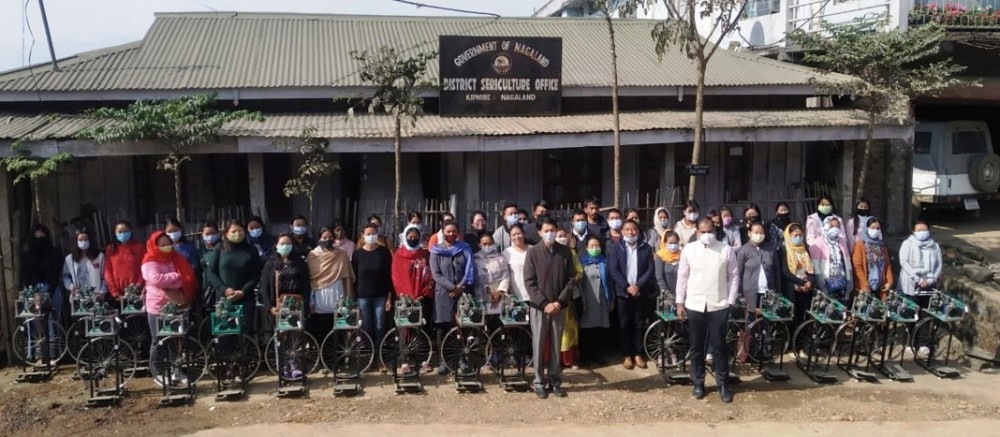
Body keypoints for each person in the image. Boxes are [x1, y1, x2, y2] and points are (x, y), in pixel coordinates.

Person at [675, 218, 739, 403]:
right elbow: (682, 276)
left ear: (715, 230)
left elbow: (734, 276)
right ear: (697, 232)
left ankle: (723, 384)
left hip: (719, 304)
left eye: (709, 231)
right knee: (696, 346)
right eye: (703, 231)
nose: (706, 235)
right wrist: (680, 302)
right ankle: (698, 382)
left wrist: (731, 300)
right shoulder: (689, 249)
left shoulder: (725, 249)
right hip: (694, 304)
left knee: (719, 346)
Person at [523, 217, 576, 399]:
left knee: (556, 344)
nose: (550, 234)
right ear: (539, 232)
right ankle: (538, 381)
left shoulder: (565, 252)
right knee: (538, 343)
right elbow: (529, 283)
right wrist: (545, 304)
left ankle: (555, 380)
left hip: (559, 306)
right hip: (540, 307)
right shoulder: (533, 253)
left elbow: (571, 280)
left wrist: (559, 302)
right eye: (546, 230)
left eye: (552, 230)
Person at [140, 231, 198, 385]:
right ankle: (158, 373)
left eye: (168, 243)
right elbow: (156, 279)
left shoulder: (176, 258)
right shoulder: (148, 262)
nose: (166, 246)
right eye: (162, 244)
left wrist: (173, 279)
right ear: (154, 245)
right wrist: (175, 277)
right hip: (157, 307)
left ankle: (176, 370)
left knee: (176, 340)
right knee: (158, 340)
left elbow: (186, 278)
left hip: (176, 305)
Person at [259, 233, 311, 378]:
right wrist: (270, 307)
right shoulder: (271, 263)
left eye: (288, 243)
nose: (285, 246)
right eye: (282, 243)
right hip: (278, 304)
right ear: (276, 245)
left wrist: (306, 302)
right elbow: (265, 288)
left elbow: (306, 284)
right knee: (280, 336)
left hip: (296, 303)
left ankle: (295, 365)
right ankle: (282, 366)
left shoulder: (299, 262)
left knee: (295, 335)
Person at [608, 220, 656, 370]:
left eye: (633, 229)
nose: (630, 232)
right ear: (622, 231)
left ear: (638, 231)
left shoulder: (646, 248)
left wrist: (638, 286)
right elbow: (613, 270)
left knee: (639, 323)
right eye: (627, 229)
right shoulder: (616, 248)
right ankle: (626, 354)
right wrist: (627, 287)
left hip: (640, 292)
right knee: (624, 324)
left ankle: (638, 353)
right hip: (624, 293)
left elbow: (650, 269)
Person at [429, 221, 475, 375]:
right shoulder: (436, 251)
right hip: (443, 294)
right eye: (448, 231)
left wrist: (460, 287)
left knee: (461, 328)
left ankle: (461, 358)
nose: (451, 234)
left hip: (462, 294)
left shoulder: (464, 248)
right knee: (443, 328)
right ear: (442, 232)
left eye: (453, 231)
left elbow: (469, 269)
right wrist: (452, 287)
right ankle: (443, 360)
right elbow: (436, 274)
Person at [391, 224, 435, 373]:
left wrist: (423, 293)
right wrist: (405, 296)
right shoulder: (398, 255)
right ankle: (405, 362)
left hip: (422, 298)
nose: (412, 239)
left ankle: (423, 360)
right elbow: (396, 277)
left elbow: (430, 276)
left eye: (415, 237)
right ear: (404, 237)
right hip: (404, 299)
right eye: (409, 237)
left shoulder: (425, 255)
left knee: (421, 329)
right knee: (404, 330)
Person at [207, 220, 262, 335]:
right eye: (234, 231)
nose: (237, 234)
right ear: (226, 233)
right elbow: (211, 272)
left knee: (245, 334)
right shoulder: (219, 249)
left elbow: (256, 274)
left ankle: (246, 353)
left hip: (246, 299)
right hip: (224, 299)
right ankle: (226, 353)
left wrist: (243, 291)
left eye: (240, 230)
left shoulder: (251, 250)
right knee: (224, 334)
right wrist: (224, 289)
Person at [899, 219, 942, 357]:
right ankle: (909, 342)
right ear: (913, 231)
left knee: (924, 314)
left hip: (929, 285)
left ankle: (923, 343)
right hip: (912, 284)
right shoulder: (908, 244)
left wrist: (930, 280)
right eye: (919, 230)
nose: (922, 232)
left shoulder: (934, 246)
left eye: (924, 229)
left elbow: (939, 266)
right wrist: (917, 278)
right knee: (912, 313)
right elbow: (904, 262)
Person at [306, 227, 355, 342]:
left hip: (338, 297)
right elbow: (311, 280)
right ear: (319, 239)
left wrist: (349, 300)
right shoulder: (313, 256)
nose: (328, 239)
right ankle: (323, 358)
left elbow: (347, 278)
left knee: (339, 335)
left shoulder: (341, 255)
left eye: (330, 237)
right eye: (325, 237)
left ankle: (341, 359)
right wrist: (311, 302)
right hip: (320, 298)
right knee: (322, 334)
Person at [353, 223, 394, 352]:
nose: (371, 236)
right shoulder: (357, 254)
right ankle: (368, 355)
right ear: (363, 235)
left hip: (380, 296)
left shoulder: (384, 253)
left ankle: (379, 355)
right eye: (368, 234)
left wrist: (389, 297)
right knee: (365, 326)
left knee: (380, 326)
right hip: (363, 296)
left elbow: (389, 276)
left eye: (373, 234)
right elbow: (354, 277)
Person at [473, 233, 509, 371]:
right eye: (484, 244)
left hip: (498, 300)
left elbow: (506, 276)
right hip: (482, 298)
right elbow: (477, 279)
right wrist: (489, 290)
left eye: (489, 243)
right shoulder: (476, 258)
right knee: (483, 330)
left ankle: (498, 358)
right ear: (479, 244)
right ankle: (485, 358)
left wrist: (499, 291)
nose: (487, 246)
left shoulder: (500, 258)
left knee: (497, 328)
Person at [577, 236, 611, 367]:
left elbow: (609, 282)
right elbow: (579, 285)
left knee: (598, 330)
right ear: (586, 248)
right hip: (588, 301)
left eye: (597, 246)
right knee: (586, 331)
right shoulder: (582, 262)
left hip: (602, 301)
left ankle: (598, 355)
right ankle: (585, 357)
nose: (595, 248)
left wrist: (610, 298)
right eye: (592, 246)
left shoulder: (604, 262)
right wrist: (582, 301)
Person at [735, 222, 780, 318]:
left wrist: (777, 291)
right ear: (749, 233)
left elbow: (776, 272)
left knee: (768, 321)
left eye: (761, 232)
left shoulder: (771, 249)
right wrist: (739, 294)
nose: (759, 235)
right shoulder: (743, 251)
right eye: (756, 232)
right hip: (750, 293)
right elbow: (739, 273)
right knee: (751, 321)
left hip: (768, 292)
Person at [21, 225, 62, 323]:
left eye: (42, 238)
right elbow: (26, 276)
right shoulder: (27, 256)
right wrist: (34, 292)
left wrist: (48, 294)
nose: (40, 242)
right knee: (34, 318)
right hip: (33, 289)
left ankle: (54, 336)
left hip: (52, 288)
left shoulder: (54, 253)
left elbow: (55, 274)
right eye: (37, 238)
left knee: (52, 318)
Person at [808, 216, 853, 304]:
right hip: (826, 282)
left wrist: (850, 283)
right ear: (825, 226)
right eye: (832, 226)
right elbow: (816, 267)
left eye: (837, 226)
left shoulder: (842, 241)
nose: (835, 229)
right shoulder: (817, 243)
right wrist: (821, 285)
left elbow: (847, 262)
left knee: (841, 309)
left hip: (841, 280)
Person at [556, 227, 583, 370]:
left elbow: (580, 271)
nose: (561, 238)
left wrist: (574, 280)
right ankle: (557, 360)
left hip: (570, 296)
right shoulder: (551, 253)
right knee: (556, 330)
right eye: (558, 235)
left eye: (563, 235)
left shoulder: (572, 253)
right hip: (554, 297)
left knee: (570, 330)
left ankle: (569, 360)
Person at [779, 223, 815, 328]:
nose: (798, 238)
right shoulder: (784, 250)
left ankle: (802, 340)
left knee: (804, 317)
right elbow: (785, 272)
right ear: (789, 236)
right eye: (795, 235)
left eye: (800, 235)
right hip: (792, 288)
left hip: (805, 288)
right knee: (792, 318)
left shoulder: (805, 249)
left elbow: (811, 268)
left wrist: (810, 282)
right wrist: (801, 283)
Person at [851, 217, 894, 299]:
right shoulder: (860, 245)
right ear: (867, 229)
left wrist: (889, 282)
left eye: (878, 228)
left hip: (881, 286)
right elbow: (857, 267)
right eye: (873, 228)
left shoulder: (881, 246)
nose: (875, 230)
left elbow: (887, 265)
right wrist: (865, 284)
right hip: (865, 287)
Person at [63, 230, 107, 305]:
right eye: (80, 240)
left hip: (97, 296)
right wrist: (71, 287)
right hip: (79, 297)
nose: (83, 242)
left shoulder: (99, 256)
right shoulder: (70, 258)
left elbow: (105, 276)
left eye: (86, 240)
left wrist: (102, 291)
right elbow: (65, 276)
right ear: (76, 242)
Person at [104, 220, 145, 301]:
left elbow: (144, 268)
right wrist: (115, 293)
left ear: (130, 231)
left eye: (125, 231)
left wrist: (138, 286)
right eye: (119, 232)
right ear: (115, 233)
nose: (122, 234)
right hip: (118, 296)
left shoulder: (140, 247)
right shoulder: (111, 249)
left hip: (137, 293)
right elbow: (108, 272)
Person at [195, 221, 221, 317]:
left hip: (220, 289)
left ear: (218, 234)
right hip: (205, 289)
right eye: (207, 234)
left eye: (213, 233)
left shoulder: (223, 248)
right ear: (202, 235)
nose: (210, 236)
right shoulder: (200, 251)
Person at [502, 224, 531, 302]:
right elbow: (504, 275)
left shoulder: (533, 250)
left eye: (519, 233)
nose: (517, 237)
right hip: (515, 295)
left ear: (524, 234)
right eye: (513, 235)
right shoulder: (506, 252)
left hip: (532, 294)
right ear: (510, 237)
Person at [654, 231, 682, 298]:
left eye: (675, 243)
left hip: (682, 293)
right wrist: (667, 293)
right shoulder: (660, 256)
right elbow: (659, 277)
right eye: (671, 243)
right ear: (665, 243)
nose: (673, 245)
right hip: (667, 295)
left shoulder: (682, 254)